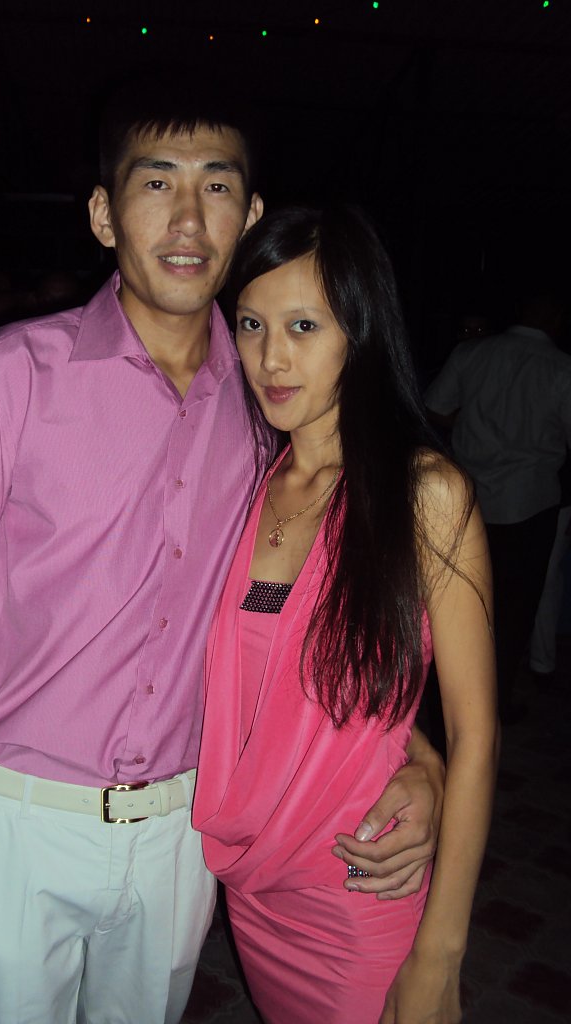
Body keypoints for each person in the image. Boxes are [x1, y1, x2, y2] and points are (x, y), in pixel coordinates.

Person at [0, 87, 443, 1024]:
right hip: (19, 820)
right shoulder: (7, 375)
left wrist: (419, 755)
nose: (188, 218)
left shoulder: (270, 406)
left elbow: (313, 623)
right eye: (156, 184)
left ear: (249, 214)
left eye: (216, 186)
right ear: (105, 214)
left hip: (183, 831)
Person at [192, 206, 499, 1024]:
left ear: (359, 332)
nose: (271, 357)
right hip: (252, 887)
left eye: (303, 325)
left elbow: (476, 734)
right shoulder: (248, 482)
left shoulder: (425, 495)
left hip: (360, 885)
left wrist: (440, 956)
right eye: (251, 324)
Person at [425, 291, 571, 721]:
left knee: (454, 607)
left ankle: (444, 708)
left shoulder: (474, 352)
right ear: (554, 314)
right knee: (513, 612)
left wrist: (473, 421)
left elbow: (433, 407)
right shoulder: (561, 368)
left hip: (469, 499)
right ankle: (492, 707)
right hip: (528, 502)